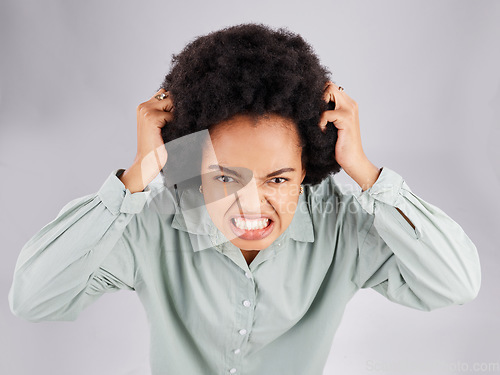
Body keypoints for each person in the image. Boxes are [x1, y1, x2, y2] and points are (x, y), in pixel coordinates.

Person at [8, 23, 481, 375]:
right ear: (194, 167)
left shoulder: (342, 229)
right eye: (225, 177)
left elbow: (456, 283)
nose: (251, 207)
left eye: (278, 179)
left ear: (307, 172)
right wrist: (135, 177)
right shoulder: (154, 224)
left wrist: (364, 171)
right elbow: (32, 297)